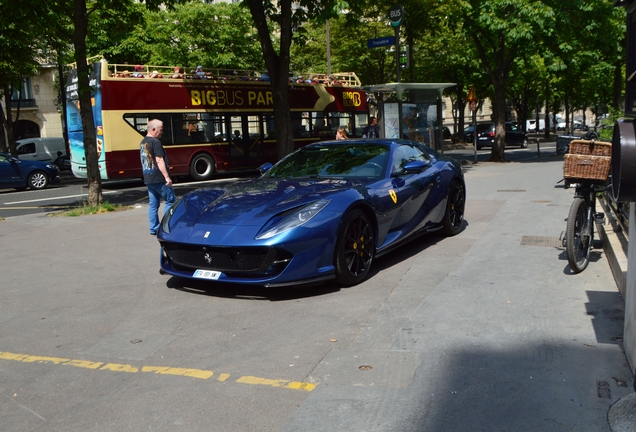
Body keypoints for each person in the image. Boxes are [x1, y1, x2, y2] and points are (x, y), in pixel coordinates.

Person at [139, 119, 175, 236]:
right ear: (153, 129)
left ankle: (154, 228)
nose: (162, 132)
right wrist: (167, 177)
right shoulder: (155, 142)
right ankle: (165, 226)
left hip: (148, 178)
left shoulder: (143, 142)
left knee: (153, 204)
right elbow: (159, 160)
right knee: (171, 200)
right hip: (159, 177)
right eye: (160, 130)